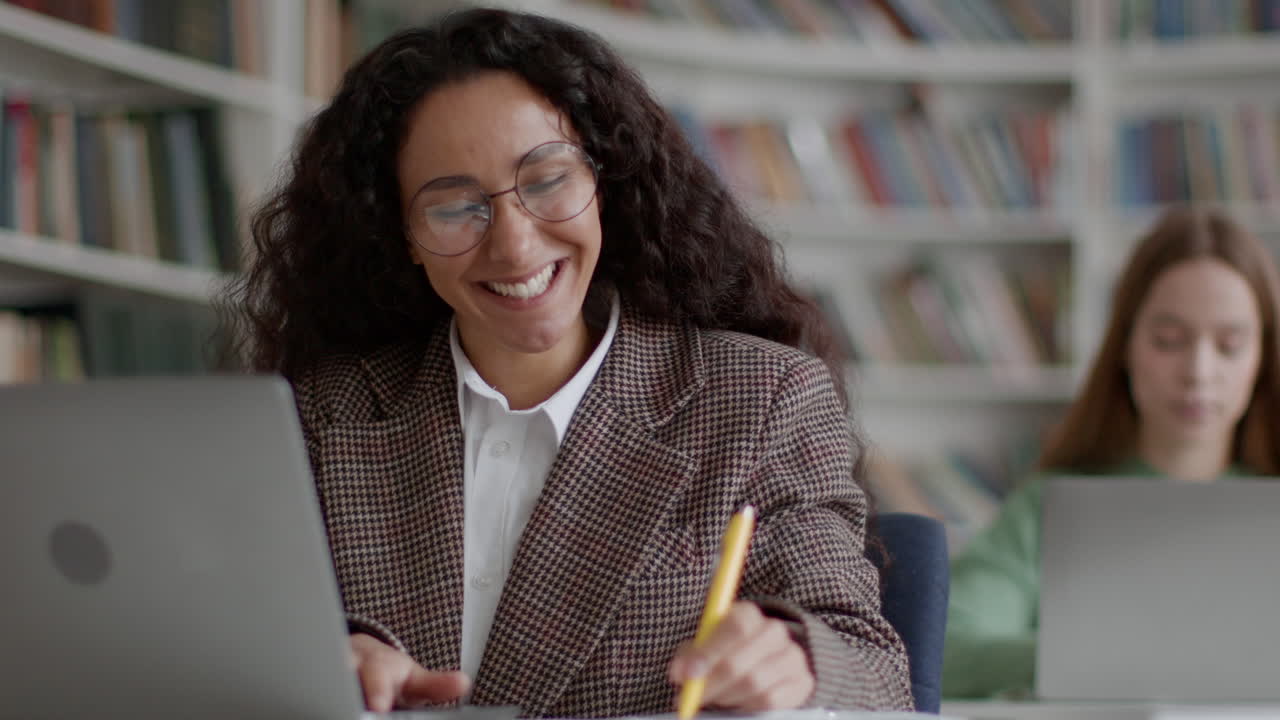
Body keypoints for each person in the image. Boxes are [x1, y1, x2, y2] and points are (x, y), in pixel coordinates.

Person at [221, 7, 912, 717]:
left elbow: (868, 661)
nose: (516, 247)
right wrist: (330, 657)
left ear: (603, 184)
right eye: (456, 207)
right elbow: (228, 640)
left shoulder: (761, 398)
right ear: (401, 235)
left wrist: (797, 660)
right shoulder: (325, 413)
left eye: (547, 180)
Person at [942, 206, 1280, 699]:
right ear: (1125, 344)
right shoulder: (1048, 508)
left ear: (1263, 359)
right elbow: (948, 650)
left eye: (1230, 345)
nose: (1199, 372)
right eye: (1169, 340)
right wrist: (1094, 660)